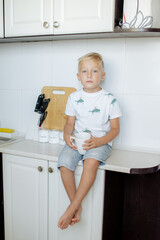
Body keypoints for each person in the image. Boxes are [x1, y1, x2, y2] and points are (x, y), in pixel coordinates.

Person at [57, 52, 122, 230]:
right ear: (78, 77)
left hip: (100, 142)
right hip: (78, 141)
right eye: (85, 71)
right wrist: (66, 136)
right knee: (64, 164)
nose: (89, 75)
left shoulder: (109, 99)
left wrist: (100, 141)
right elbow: (69, 123)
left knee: (90, 163)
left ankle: (71, 208)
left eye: (94, 71)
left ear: (102, 76)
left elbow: (115, 129)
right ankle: (76, 206)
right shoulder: (73, 98)